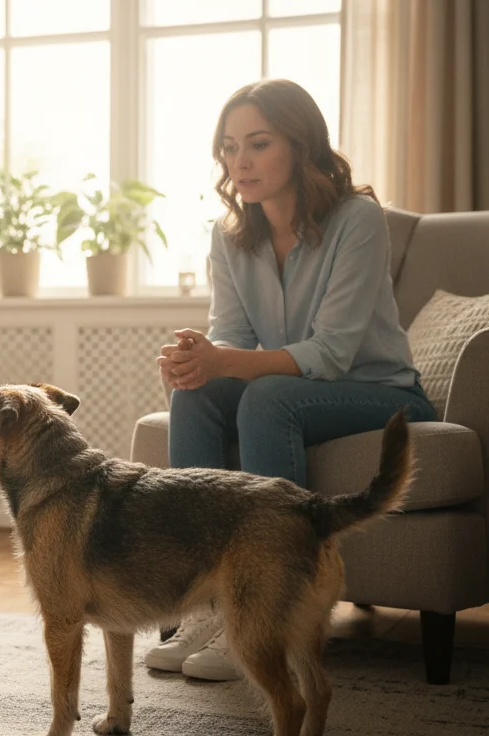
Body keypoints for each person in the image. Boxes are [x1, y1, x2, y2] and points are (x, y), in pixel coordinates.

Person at [145, 79, 438, 682]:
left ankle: (264, 610)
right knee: (199, 393)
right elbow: (232, 337)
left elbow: (331, 353)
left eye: (258, 143)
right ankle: (208, 605)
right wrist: (195, 364)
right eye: (229, 148)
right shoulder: (229, 238)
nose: (240, 162)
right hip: (293, 387)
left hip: (381, 394)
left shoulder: (357, 219)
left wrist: (224, 361)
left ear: (300, 147)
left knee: (267, 397)